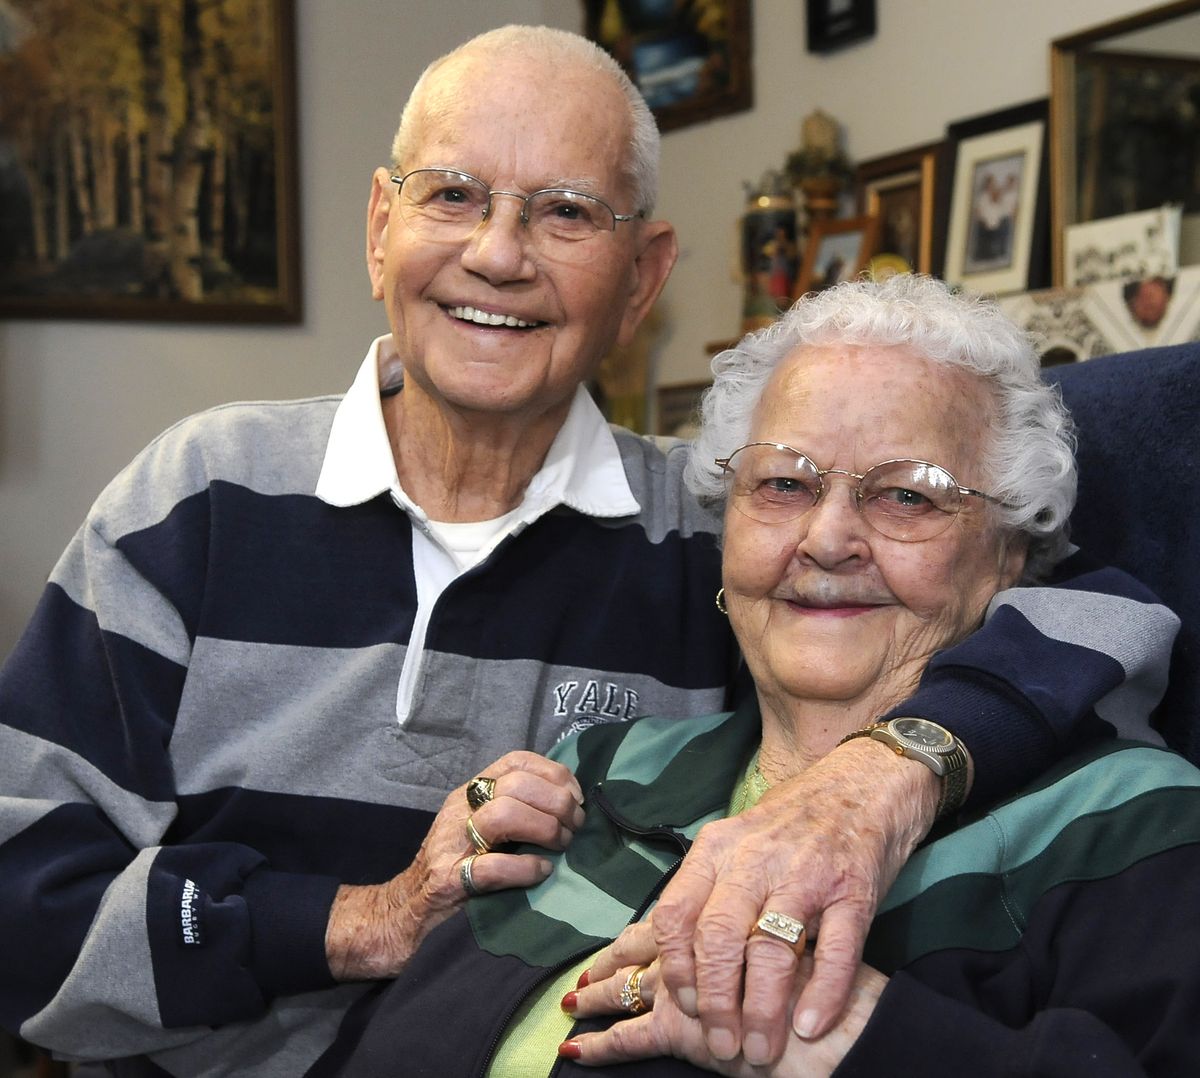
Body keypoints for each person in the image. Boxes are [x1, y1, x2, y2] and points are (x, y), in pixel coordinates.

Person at [0, 27, 1176, 1077]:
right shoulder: (197, 495)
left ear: (643, 278)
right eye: (453, 194)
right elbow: (16, 904)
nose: (500, 255)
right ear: (379, 227)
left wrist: (887, 772)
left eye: (565, 213)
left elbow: (1090, 602)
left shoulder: (713, 526)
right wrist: (366, 917)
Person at [311, 275, 1200, 1076]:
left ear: (1010, 552)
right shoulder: (603, 772)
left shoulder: (1128, 823)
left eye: (907, 496)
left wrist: (851, 1036)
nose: (825, 539)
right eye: (783, 484)